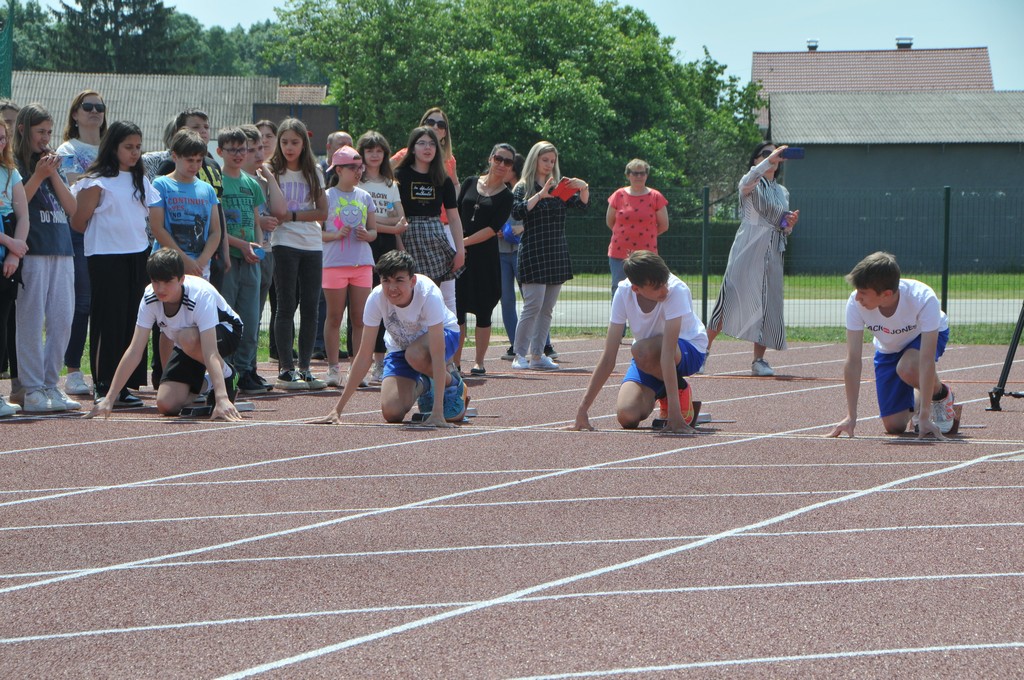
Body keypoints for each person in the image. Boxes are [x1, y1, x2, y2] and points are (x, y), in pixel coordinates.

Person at [85, 249, 243, 421]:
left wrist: (222, 398)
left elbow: (210, 352)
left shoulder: (200, 295)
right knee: (166, 404)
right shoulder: (150, 298)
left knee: (186, 337)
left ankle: (228, 374)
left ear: (181, 279)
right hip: (185, 342)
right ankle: (207, 383)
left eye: (167, 282)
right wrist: (109, 398)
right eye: (155, 281)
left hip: (226, 331)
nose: (160, 288)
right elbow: (134, 350)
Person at [315, 250, 467, 427]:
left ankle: (453, 382)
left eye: (399, 280)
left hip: (444, 336)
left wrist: (438, 413)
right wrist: (337, 410)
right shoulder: (376, 298)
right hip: (401, 346)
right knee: (392, 412)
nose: (392, 288)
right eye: (386, 280)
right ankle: (425, 383)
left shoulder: (428, 294)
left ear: (413, 281)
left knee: (415, 354)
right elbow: (364, 355)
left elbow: (437, 352)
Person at [70, 120, 158, 408]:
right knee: (108, 319)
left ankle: (124, 385)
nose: (135, 153)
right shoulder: (95, 180)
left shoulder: (140, 179)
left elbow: (151, 218)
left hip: (137, 255)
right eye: (128, 147)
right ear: (113, 147)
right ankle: (103, 383)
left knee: (132, 321)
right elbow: (79, 221)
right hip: (105, 257)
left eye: (138, 147)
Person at [572, 251, 706, 434]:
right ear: (636, 289)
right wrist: (582, 410)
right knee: (627, 416)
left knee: (641, 349)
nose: (665, 290)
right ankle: (664, 392)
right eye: (657, 287)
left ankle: (680, 392)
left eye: (665, 282)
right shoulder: (623, 293)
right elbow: (609, 357)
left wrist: (675, 416)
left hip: (686, 350)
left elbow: (667, 353)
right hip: (649, 357)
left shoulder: (677, 291)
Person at [827, 251, 955, 439]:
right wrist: (851, 416)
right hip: (888, 347)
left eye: (863, 293)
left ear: (886, 294)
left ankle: (941, 395)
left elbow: (927, 361)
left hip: (920, 337)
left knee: (908, 367)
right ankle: (918, 399)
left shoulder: (923, 298)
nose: (857, 298)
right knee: (894, 425)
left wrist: (925, 416)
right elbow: (853, 360)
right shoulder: (855, 304)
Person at [707, 142, 799, 377]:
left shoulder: (782, 191)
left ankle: (759, 360)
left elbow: (781, 224)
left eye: (776, 153)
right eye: (767, 154)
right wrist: (770, 160)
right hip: (748, 246)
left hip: (773, 249)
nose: (774, 158)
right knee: (728, 298)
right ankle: (701, 353)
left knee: (768, 305)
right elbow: (747, 183)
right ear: (756, 160)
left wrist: (788, 225)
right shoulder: (749, 183)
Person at [11, 104, 79, 412]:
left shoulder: (53, 162)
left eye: (49, 132)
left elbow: (72, 208)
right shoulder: (14, 162)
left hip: (62, 248)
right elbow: (16, 202)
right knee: (31, 319)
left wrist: (52, 175)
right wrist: (39, 174)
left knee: (62, 319)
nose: (45, 138)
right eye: (40, 131)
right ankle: (32, 388)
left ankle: (52, 384)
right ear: (24, 129)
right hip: (33, 249)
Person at [510, 140, 589, 370]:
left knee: (547, 309)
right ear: (535, 160)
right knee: (532, 306)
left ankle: (537, 355)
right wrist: (540, 195)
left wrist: (583, 187)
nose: (549, 164)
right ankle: (519, 355)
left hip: (555, 252)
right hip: (533, 251)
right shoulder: (523, 186)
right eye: (545, 160)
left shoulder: (558, 187)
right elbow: (517, 211)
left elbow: (582, 206)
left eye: (552, 161)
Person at [265, 117, 328, 389]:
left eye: (295, 142)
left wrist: (291, 215)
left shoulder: (314, 170)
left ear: (304, 143)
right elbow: (275, 213)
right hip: (283, 243)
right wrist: (296, 216)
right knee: (285, 305)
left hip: (312, 244)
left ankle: (305, 368)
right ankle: (286, 368)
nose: (289, 147)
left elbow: (323, 212)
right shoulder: (271, 171)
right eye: (285, 142)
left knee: (311, 307)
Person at [56, 90, 108, 398]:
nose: (94, 111)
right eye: (87, 107)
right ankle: (73, 369)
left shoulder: (111, 145)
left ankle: (105, 369)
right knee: (83, 301)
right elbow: (76, 182)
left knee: (108, 303)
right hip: (79, 231)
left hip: (110, 233)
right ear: (75, 114)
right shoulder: (68, 148)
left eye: (99, 107)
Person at [454, 143, 515, 375]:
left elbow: (492, 229)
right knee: (457, 309)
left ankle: (479, 361)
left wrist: (464, 243)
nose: (501, 164)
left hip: (485, 258)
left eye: (507, 162)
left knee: (483, 310)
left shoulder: (507, 196)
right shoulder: (470, 182)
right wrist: (458, 244)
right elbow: (456, 214)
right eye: (498, 158)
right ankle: (456, 362)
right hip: (461, 255)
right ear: (490, 158)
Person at [216, 126, 269, 396]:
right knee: (227, 316)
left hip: (251, 260)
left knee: (250, 317)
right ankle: (226, 369)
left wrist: (258, 246)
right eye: (233, 150)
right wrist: (240, 245)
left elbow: (257, 221)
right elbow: (219, 226)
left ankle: (247, 369)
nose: (239, 154)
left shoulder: (251, 183)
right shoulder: (217, 182)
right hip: (229, 258)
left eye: (243, 149)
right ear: (220, 152)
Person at [391, 107, 459, 313]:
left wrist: (461, 250)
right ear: (412, 148)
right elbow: (392, 208)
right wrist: (398, 242)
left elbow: (454, 215)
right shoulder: (400, 175)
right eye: (422, 143)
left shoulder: (443, 175)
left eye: (431, 144)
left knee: (433, 296)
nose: (427, 148)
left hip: (435, 235)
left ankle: (439, 342)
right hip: (407, 233)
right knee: (407, 297)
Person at [321, 145, 376, 387]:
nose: (358, 171)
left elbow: (374, 231)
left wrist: (368, 235)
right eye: (353, 167)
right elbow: (317, 232)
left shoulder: (365, 196)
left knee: (360, 318)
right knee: (334, 317)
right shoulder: (326, 196)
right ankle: (333, 369)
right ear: (339, 170)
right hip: (333, 264)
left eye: (360, 167)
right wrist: (335, 235)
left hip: (362, 263)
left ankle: (357, 368)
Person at [357, 130, 407, 384]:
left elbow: (400, 218)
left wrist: (382, 225)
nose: (374, 155)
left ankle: (384, 361)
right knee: (370, 304)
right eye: (370, 150)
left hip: (388, 247)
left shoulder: (390, 184)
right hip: (365, 246)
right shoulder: (358, 184)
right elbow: (364, 221)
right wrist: (385, 224)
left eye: (379, 151)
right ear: (362, 153)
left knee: (390, 303)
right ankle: (366, 363)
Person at [239, 123, 286, 393]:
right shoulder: (233, 179)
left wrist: (266, 171)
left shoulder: (263, 179)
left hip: (265, 251)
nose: (258, 154)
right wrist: (259, 219)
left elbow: (280, 210)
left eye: (260, 148)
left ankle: (250, 367)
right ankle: (240, 369)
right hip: (244, 252)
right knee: (243, 314)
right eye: (251, 149)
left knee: (256, 316)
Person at [149, 129, 222, 280]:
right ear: (174, 156)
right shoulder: (160, 184)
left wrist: (201, 261)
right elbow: (157, 227)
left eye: (199, 160)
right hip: (167, 264)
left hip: (199, 267)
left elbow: (215, 232)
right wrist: (184, 260)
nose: (195, 166)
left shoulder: (208, 189)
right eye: (190, 160)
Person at [0, 117, 29, 415]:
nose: (0, 144)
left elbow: (23, 216)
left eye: (2, 138)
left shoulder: (10, 173)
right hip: (5, 244)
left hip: (6, 261)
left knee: (2, 324)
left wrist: (14, 254)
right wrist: (10, 243)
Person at [606, 158, 669, 294]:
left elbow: (664, 225)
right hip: (619, 253)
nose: (639, 176)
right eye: (635, 173)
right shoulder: (618, 195)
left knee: (648, 288)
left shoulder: (656, 196)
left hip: (646, 254)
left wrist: (646, 234)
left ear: (647, 175)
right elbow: (610, 222)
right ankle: (618, 316)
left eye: (642, 173)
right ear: (628, 175)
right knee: (619, 289)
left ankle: (645, 316)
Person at [497, 153, 525, 362]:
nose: (503, 168)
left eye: (508, 165)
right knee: (507, 300)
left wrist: (520, 228)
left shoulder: (525, 189)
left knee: (531, 298)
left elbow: (536, 216)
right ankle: (515, 344)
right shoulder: (499, 189)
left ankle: (544, 343)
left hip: (522, 250)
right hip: (500, 251)